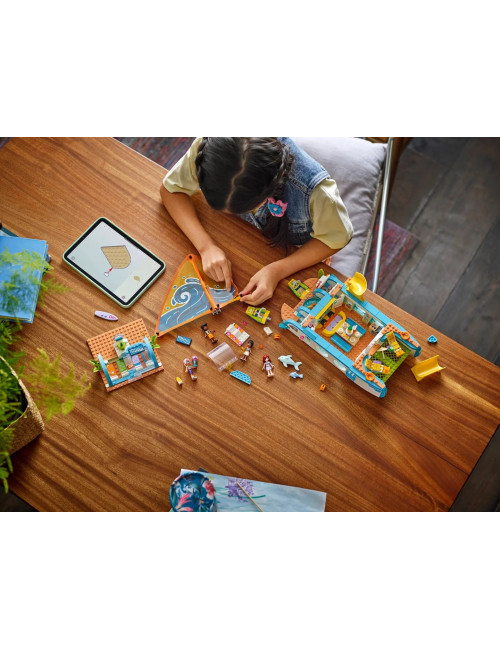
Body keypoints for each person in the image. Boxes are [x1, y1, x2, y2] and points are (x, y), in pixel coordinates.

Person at [160, 137, 353, 306]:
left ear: (271, 189)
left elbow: (336, 238)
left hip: (298, 251)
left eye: (242, 209)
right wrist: (205, 247)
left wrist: (277, 270)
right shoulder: (210, 150)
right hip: (242, 239)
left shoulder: (319, 193)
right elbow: (171, 190)